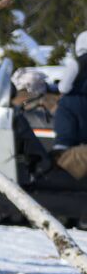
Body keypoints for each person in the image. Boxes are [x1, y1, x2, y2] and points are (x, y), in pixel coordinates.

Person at [54, 31, 87, 181]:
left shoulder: (77, 62)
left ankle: (61, 167)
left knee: (66, 135)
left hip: (73, 101)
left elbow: (63, 87)